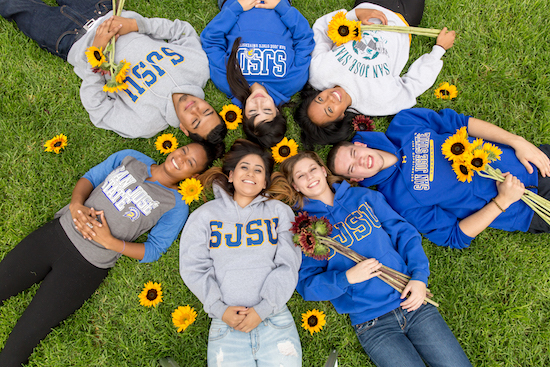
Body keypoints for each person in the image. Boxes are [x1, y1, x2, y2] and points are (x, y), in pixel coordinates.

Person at [0, 142, 221, 366]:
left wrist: (111, 242)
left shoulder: (175, 205)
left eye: (190, 162)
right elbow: (90, 178)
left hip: (86, 267)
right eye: (183, 151)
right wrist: (76, 205)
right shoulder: (132, 158)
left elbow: (154, 249)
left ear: (194, 175)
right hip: (57, 234)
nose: (180, 159)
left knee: (24, 338)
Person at [279, 151, 472, 367]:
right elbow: (307, 286)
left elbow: (404, 233)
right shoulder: (305, 231)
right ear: (295, 186)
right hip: (373, 323)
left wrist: (419, 277)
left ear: (323, 171)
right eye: (300, 176)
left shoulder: (363, 197)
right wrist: (347, 278)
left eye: (312, 169)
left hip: (411, 299)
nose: (309, 177)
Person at [0, 0, 227, 143]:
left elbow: (97, 108)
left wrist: (95, 53)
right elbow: (181, 31)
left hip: (70, 40)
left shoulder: (145, 124)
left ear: (184, 130)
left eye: (195, 121)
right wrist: (136, 25)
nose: (196, 110)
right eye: (206, 111)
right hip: (101, 8)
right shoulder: (198, 69)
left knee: (12, 4)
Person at [327, 108, 550, 249]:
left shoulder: (405, 124)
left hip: (533, 163)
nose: (361, 162)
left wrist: (517, 142)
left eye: (354, 155)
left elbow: (462, 123)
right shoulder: (399, 202)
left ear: (360, 145)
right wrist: (502, 201)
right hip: (527, 211)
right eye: (351, 168)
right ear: (354, 179)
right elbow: (454, 236)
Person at [179, 139, 302, 366]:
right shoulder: (204, 216)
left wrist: (264, 308)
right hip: (226, 322)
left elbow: (289, 264)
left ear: (265, 182)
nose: (251, 173)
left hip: (274, 317)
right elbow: (193, 267)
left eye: (258, 170)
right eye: (244, 167)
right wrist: (219, 309)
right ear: (231, 176)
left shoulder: (279, 212)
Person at [294, 1, 455, 148]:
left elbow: (321, 31)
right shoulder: (377, 102)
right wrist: (438, 50)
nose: (329, 98)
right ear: (340, 117)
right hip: (404, 17)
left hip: (370, 4)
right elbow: (414, 85)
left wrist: (355, 15)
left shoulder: (319, 75)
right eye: (329, 109)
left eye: (319, 99)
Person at [200, 0, 314, 148]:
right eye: (267, 110)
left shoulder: (227, 81)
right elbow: (304, 40)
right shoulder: (293, 82)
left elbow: (211, 40)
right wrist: (281, 6)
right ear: (277, 112)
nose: (259, 102)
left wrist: (235, 8)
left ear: (244, 114)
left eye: (253, 111)